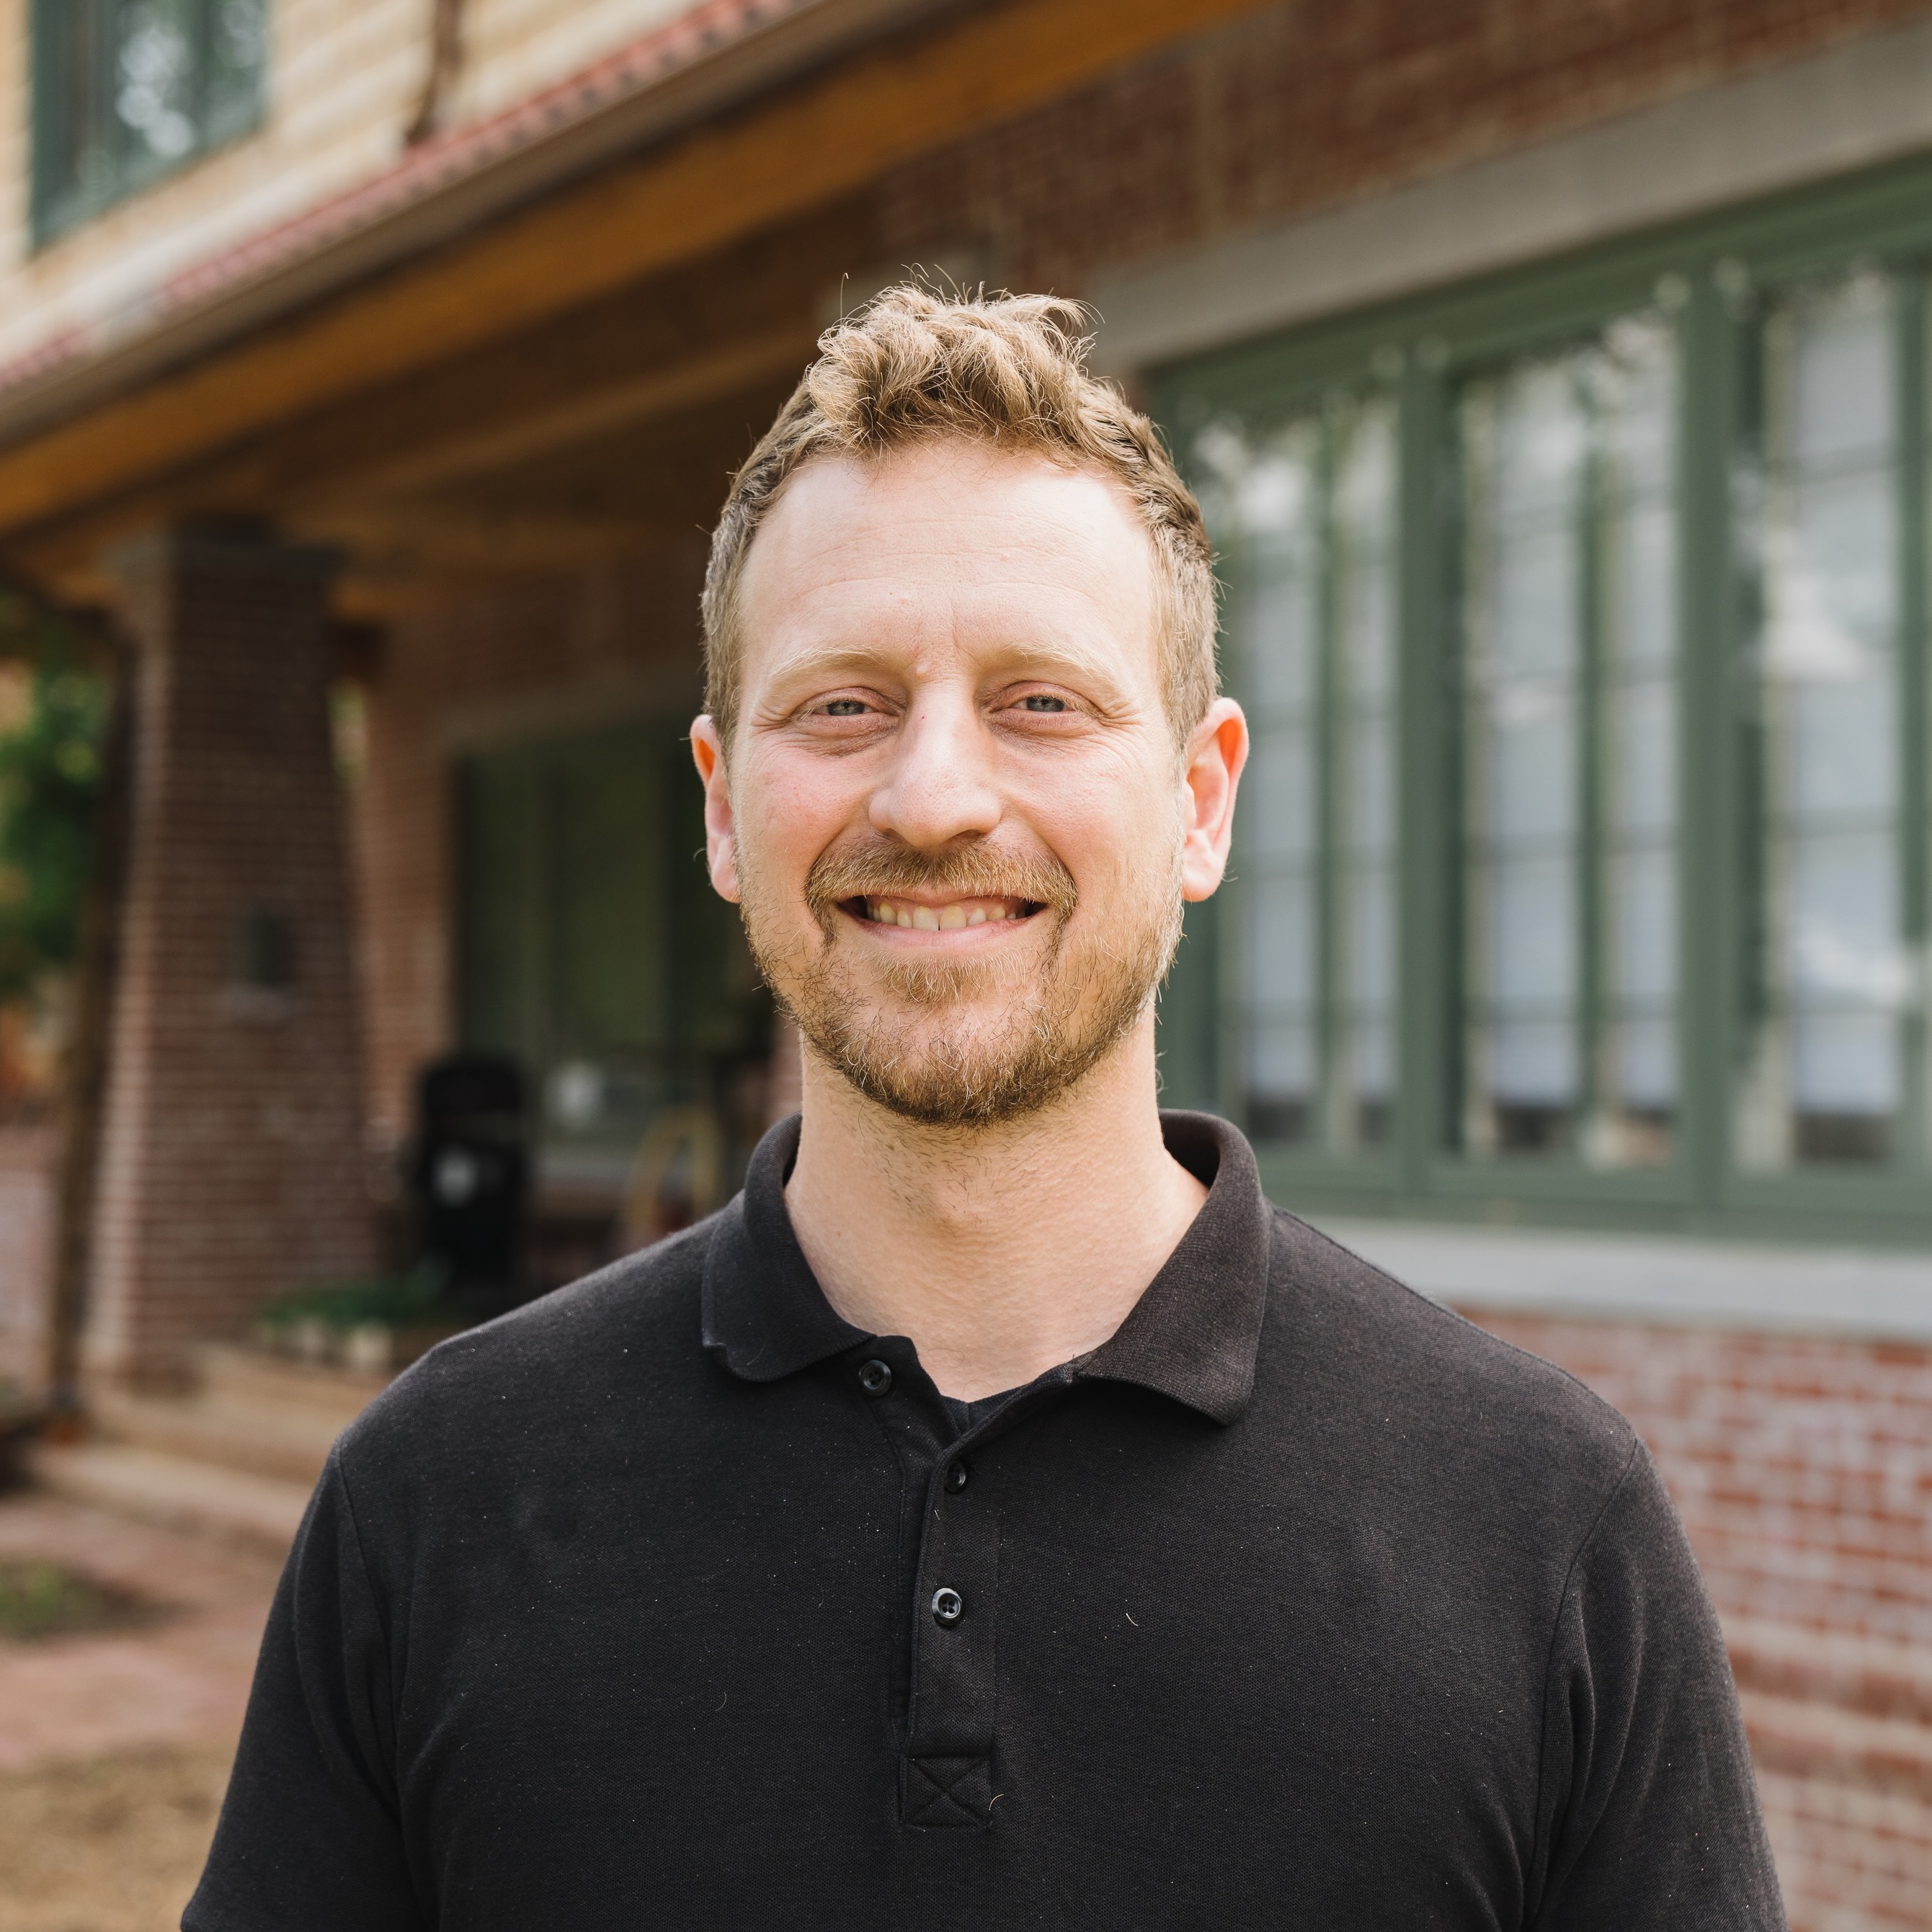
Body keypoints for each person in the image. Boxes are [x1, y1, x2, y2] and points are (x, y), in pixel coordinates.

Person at [187, 290, 1784, 1931]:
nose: (936, 795)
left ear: (1198, 802)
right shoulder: (433, 1500)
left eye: (1041, 702)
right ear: (727, 808)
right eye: (842, 705)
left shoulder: (1540, 1523)